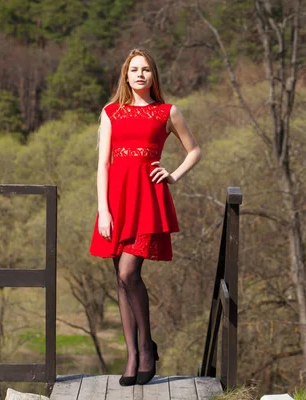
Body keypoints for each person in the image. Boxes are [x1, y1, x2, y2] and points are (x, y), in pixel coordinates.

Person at [89, 48, 201, 386]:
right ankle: (133, 355)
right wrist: (103, 210)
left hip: (148, 202)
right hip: (116, 205)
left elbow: (194, 150)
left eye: (146, 70)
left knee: (129, 271)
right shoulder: (111, 112)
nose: (140, 75)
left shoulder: (168, 112)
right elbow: (103, 165)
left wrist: (174, 175)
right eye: (134, 70)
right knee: (121, 281)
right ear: (126, 75)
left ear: (153, 76)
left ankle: (147, 348)